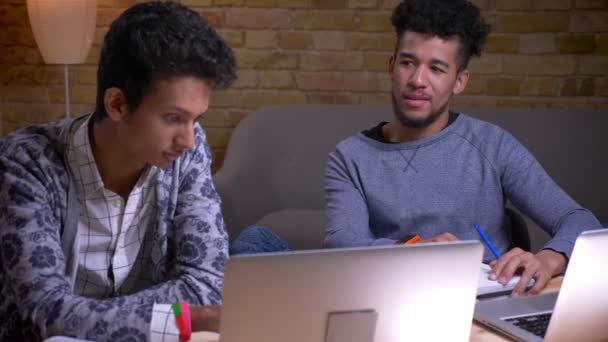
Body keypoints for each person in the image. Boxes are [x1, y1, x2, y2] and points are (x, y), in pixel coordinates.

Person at [324, 0, 602, 297]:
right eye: (408, 63)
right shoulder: (350, 156)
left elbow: (580, 221)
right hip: (396, 300)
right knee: (265, 241)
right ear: (392, 66)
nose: (418, 80)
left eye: (436, 69)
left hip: (486, 303)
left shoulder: (492, 145)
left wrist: (548, 260)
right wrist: (414, 250)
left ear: (459, 81)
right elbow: (342, 244)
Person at [0, 2, 237, 341]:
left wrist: (85, 315)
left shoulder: (188, 149)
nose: (188, 138)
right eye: (172, 117)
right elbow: (47, 314)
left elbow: (207, 286)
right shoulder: (26, 163)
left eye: (196, 118)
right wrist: (183, 319)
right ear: (117, 104)